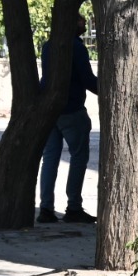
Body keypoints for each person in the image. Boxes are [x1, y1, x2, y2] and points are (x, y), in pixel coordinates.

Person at [38, 13, 98, 225]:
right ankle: (73, 207)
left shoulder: (48, 46)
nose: (84, 22)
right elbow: (87, 79)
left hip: (48, 109)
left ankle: (46, 208)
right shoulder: (77, 47)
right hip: (71, 109)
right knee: (79, 157)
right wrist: (110, 89)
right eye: (80, 19)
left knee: (50, 158)